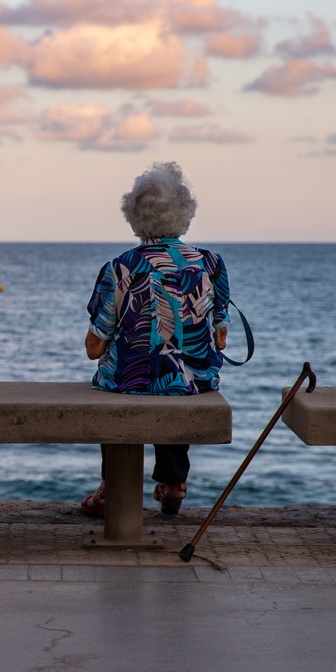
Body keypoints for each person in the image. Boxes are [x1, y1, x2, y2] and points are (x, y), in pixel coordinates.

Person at [80, 161, 231, 517]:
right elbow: (220, 339)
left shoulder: (122, 266)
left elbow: (94, 348)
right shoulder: (211, 263)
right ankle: (174, 480)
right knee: (177, 375)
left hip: (132, 379)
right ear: (185, 212)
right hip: (193, 379)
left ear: (133, 215)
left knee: (126, 377)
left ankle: (112, 487)